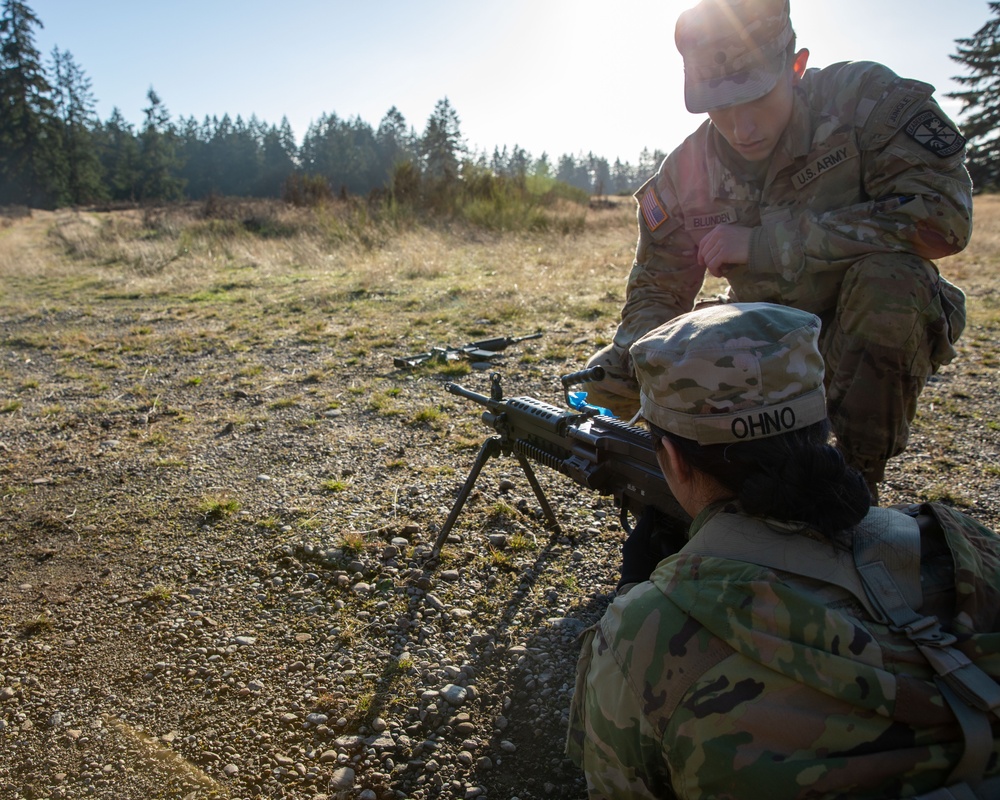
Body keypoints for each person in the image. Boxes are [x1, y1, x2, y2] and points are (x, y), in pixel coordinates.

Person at [566, 302, 1000, 800]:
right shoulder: (961, 538)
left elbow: (611, 779)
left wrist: (633, 596)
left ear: (672, 460)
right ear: (821, 428)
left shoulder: (642, 635)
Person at [583, 0, 972, 498]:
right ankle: (719, 480)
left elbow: (943, 218)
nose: (742, 129)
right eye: (721, 108)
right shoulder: (686, 172)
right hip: (771, 340)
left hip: (864, 326)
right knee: (617, 368)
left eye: (758, 99)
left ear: (796, 67)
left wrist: (768, 246)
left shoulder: (865, 103)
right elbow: (656, 292)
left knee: (891, 283)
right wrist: (638, 359)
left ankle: (855, 483)